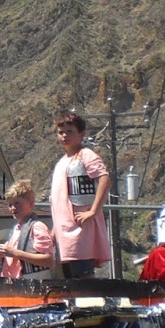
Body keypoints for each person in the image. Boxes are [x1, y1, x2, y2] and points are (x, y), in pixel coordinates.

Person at [48, 111, 111, 278]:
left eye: (70, 132)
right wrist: (54, 230)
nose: (65, 136)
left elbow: (104, 179)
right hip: (64, 231)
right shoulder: (61, 162)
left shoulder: (85, 155)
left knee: (83, 278)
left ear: (81, 134)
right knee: (69, 279)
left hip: (80, 229)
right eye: (61, 132)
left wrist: (93, 211)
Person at [0, 178, 54, 280]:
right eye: (10, 205)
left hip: (33, 286)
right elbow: (11, 256)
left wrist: (15, 253)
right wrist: (0, 254)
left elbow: (48, 261)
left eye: (17, 203)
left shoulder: (37, 226)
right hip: (14, 285)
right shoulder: (15, 229)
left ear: (31, 203)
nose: (13, 208)